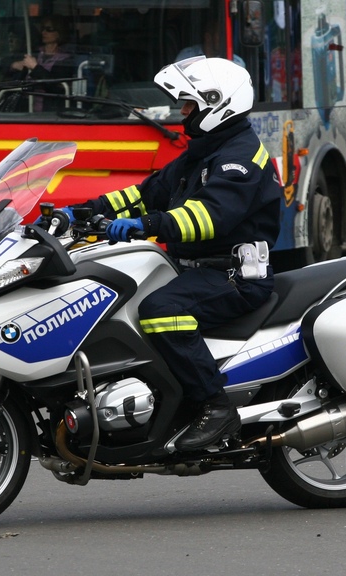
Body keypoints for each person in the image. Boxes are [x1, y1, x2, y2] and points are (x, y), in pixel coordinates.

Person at [70, 57, 282, 451]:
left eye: (189, 104)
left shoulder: (240, 157)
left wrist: (147, 226)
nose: (182, 112)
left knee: (160, 311)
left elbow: (210, 217)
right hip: (194, 268)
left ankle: (215, 407)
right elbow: (146, 193)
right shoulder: (202, 152)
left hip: (235, 276)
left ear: (217, 103)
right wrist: (83, 211)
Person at [9, 16, 75, 111]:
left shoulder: (65, 59)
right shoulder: (34, 52)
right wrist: (13, 65)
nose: (44, 32)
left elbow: (56, 86)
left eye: (49, 29)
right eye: (43, 29)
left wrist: (35, 68)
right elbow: (2, 63)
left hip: (48, 112)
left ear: (60, 33)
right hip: (25, 109)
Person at [176, 20, 246, 68]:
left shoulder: (236, 63)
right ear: (208, 37)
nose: (224, 39)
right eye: (220, 35)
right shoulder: (186, 57)